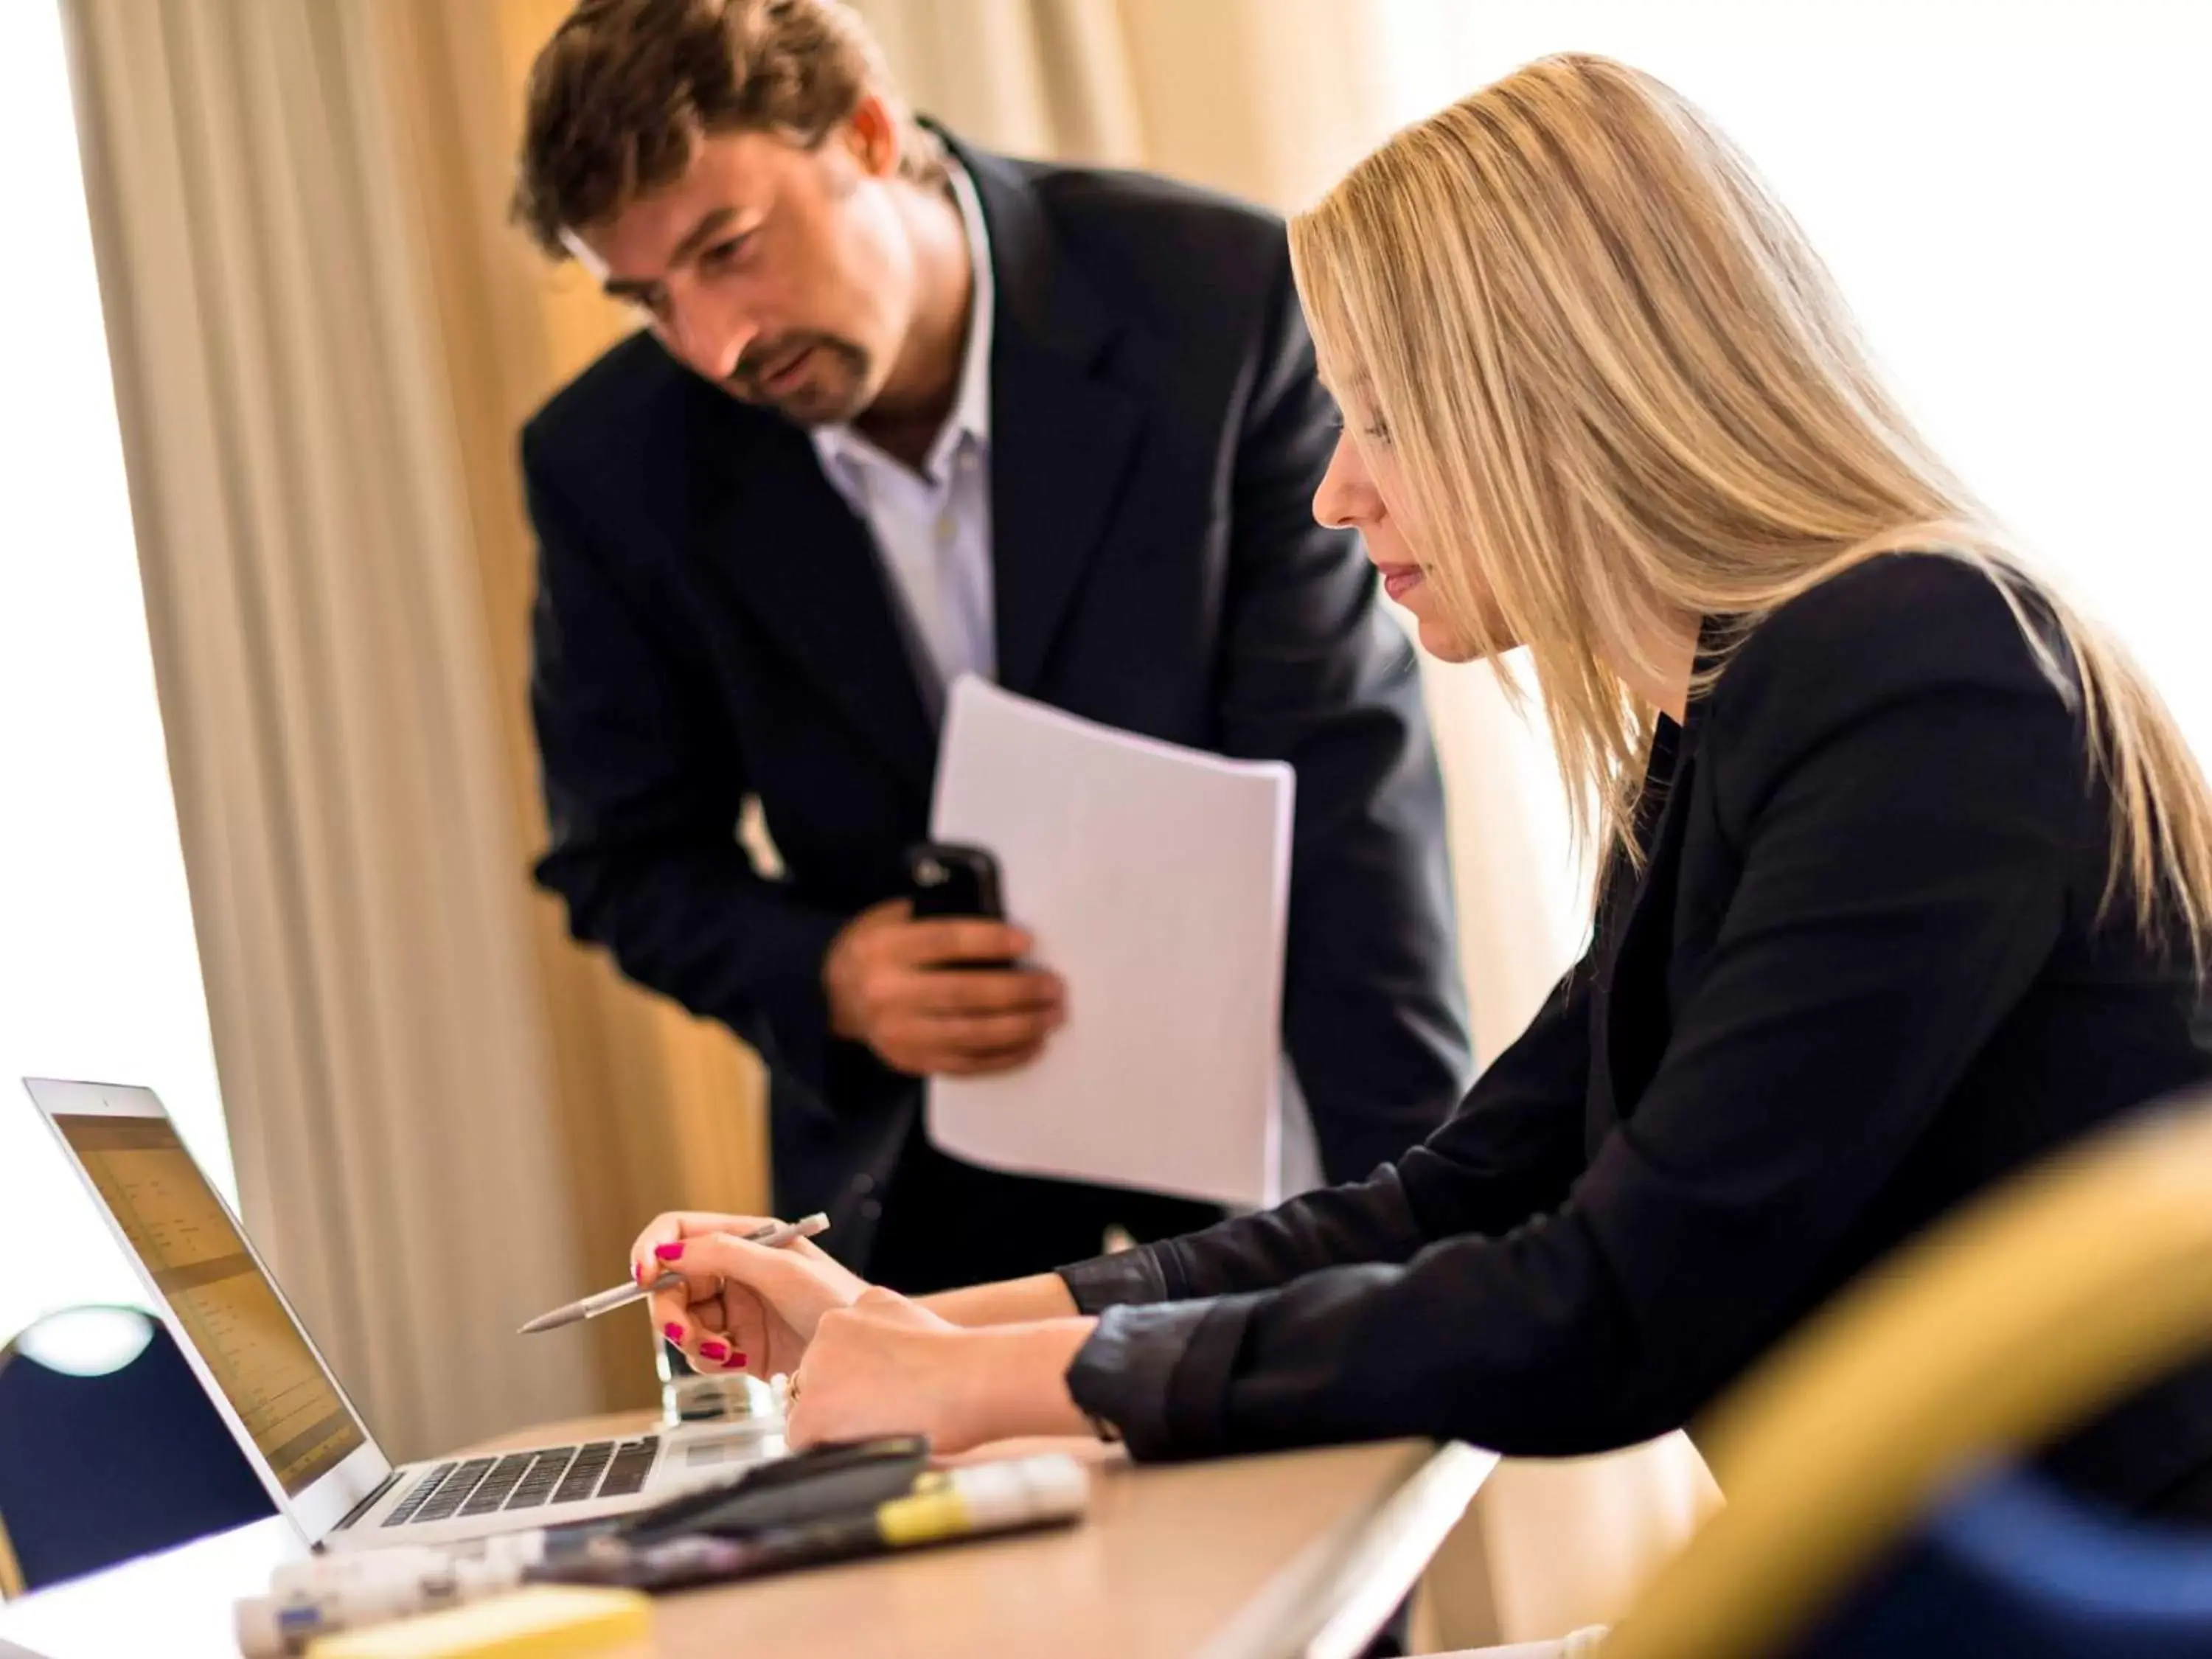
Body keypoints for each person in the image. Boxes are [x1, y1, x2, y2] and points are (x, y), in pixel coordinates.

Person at [625, 52, 2212, 1529]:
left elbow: (1614, 1308)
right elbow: (1456, 1198)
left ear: (1562, 389)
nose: (1335, 488)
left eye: (1381, 412)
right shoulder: (1750, 714)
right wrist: (914, 1329)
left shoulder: (1919, 670)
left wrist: (990, 1385)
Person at [512, 0, 1472, 1293]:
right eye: (647, 301)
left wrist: (1429, 1207)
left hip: (1261, 1095)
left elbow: (1347, 779)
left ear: (863, 130)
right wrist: (834, 972)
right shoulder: (608, 464)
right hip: (915, 1178)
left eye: (729, 249)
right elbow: (620, 858)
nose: (714, 346)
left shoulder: (1221, 301)